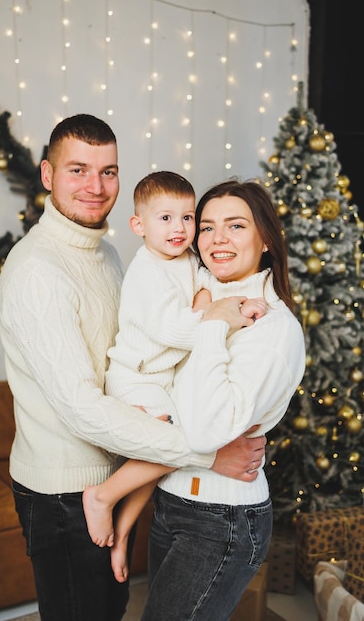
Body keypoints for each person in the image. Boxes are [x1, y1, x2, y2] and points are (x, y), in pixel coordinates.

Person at [0, 114, 267, 621]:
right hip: (64, 492)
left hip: (116, 463)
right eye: (78, 170)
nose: (96, 187)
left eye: (109, 171)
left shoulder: (112, 255)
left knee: (109, 605)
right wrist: (207, 454)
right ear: (48, 175)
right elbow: (82, 409)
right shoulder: (38, 271)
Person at [83, 170, 266, 583]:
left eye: (187, 218)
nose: (179, 228)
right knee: (173, 443)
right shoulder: (146, 272)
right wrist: (220, 316)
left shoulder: (186, 259)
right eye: (165, 218)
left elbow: (208, 291)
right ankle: (102, 495)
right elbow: (178, 331)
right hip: (136, 378)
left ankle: (123, 530)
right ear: (139, 226)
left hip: (161, 379)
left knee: (164, 461)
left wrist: (211, 304)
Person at [138, 179, 306, 621]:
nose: (217, 239)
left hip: (221, 519)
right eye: (207, 227)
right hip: (169, 498)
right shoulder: (196, 294)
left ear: (265, 238)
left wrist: (214, 324)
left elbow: (208, 428)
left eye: (235, 225)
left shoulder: (272, 327)